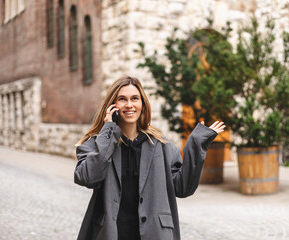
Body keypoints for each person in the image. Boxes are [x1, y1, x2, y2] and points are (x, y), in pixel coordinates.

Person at [74, 76, 225, 240]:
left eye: (135, 99)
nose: (129, 104)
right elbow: (88, 178)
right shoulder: (96, 143)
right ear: (112, 105)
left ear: (142, 104)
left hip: (155, 233)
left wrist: (196, 145)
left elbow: (183, 188)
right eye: (122, 99)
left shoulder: (161, 145)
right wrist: (109, 132)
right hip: (112, 233)